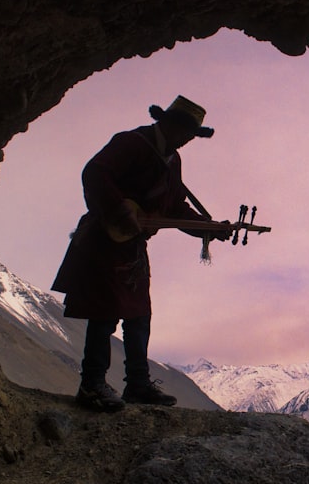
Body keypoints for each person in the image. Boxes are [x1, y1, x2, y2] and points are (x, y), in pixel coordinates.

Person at [52, 95, 230, 412]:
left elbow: (174, 208)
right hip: (105, 238)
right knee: (103, 313)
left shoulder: (173, 162)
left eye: (193, 135)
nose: (189, 140)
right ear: (170, 124)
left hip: (132, 246)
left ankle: (137, 384)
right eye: (187, 132)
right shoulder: (132, 143)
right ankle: (91, 385)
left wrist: (208, 228)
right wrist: (119, 208)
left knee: (139, 315)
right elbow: (95, 173)